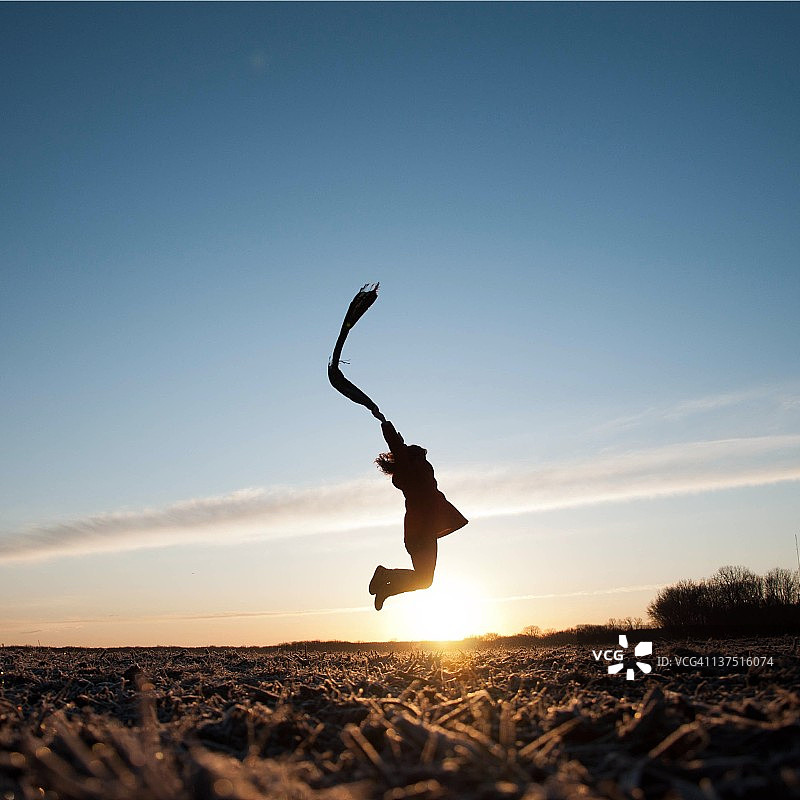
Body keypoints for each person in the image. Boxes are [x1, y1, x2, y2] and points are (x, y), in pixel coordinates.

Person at [368, 413, 468, 610]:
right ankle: (385, 576)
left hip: (423, 530)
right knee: (424, 580)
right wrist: (384, 422)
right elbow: (396, 445)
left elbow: (400, 447)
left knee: (425, 581)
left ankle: (387, 586)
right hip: (420, 530)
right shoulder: (410, 469)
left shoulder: (415, 468)